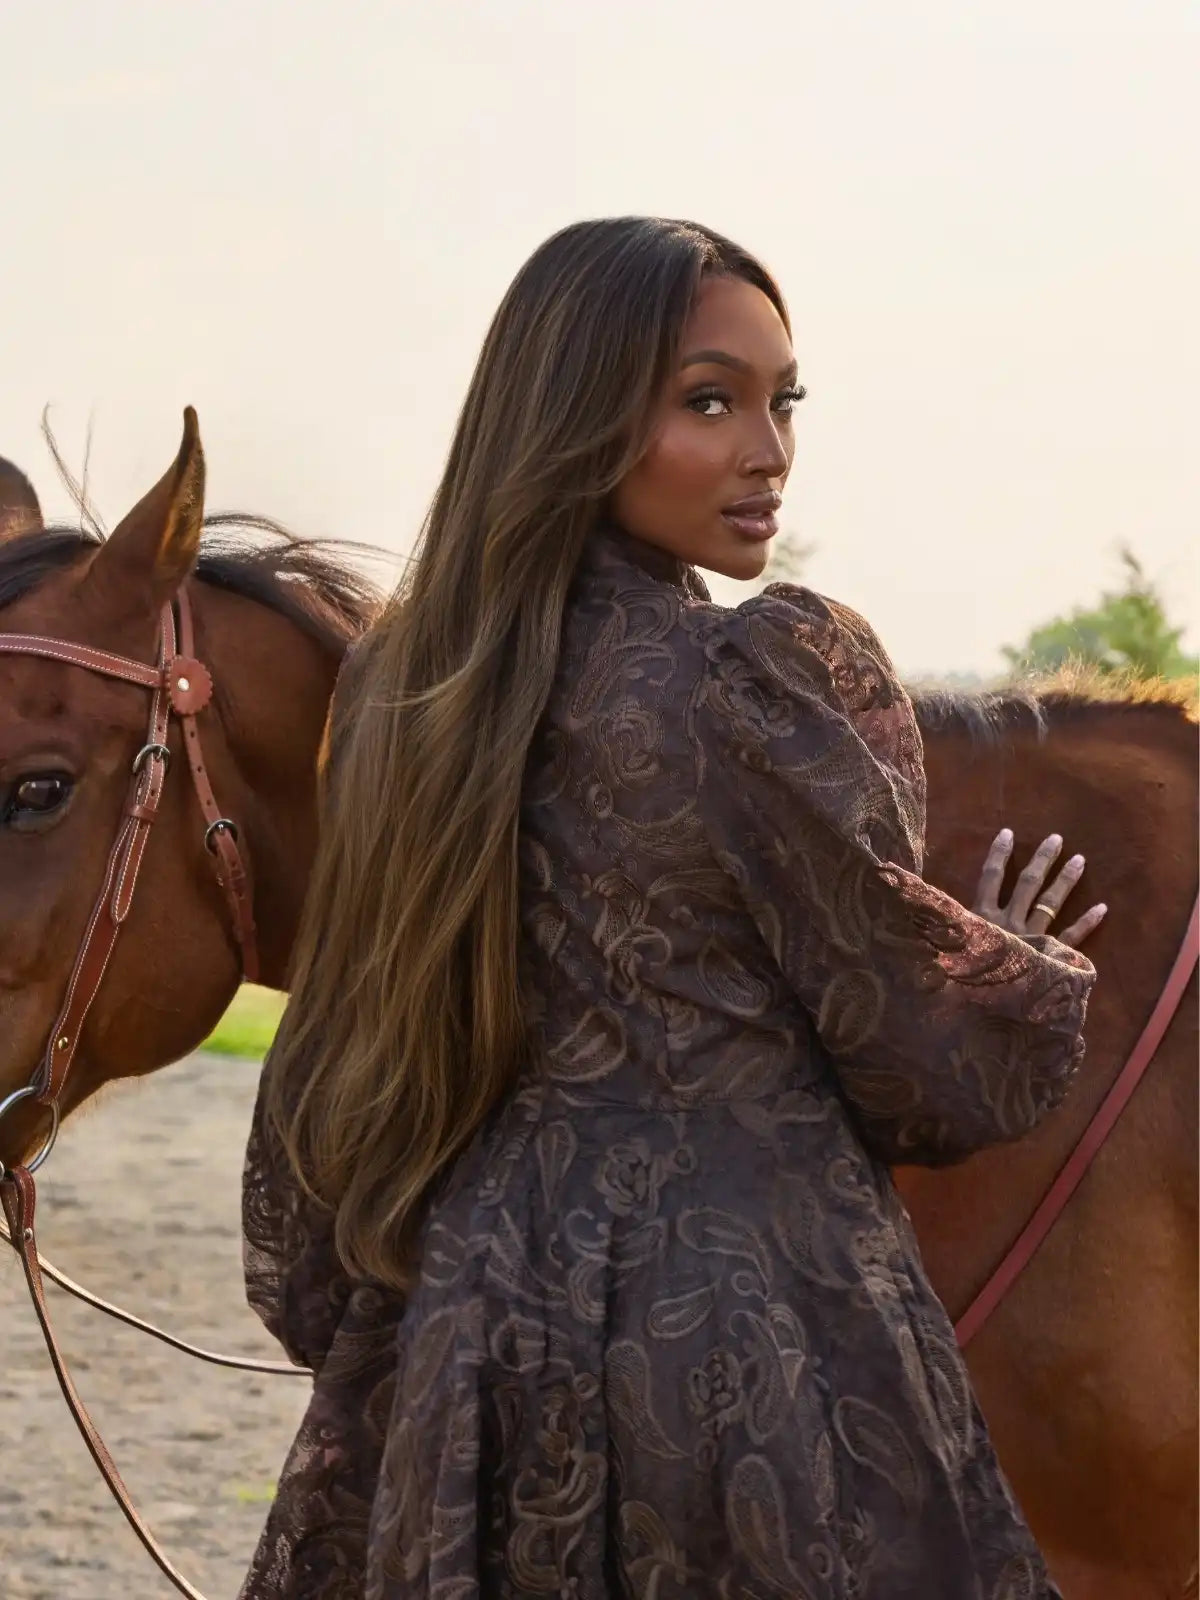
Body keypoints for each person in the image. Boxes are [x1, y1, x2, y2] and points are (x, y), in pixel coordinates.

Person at [239, 217, 1104, 1600]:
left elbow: (325, 1120)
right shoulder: (750, 684)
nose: (769, 451)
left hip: (473, 1347)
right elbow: (920, 1075)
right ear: (581, 418)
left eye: (782, 402)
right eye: (711, 401)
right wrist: (1005, 960)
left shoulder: (410, 702)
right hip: (753, 1342)